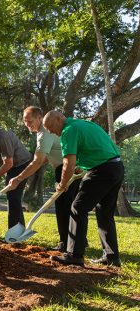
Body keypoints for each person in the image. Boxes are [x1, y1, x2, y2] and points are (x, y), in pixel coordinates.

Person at [43, 111, 124, 267]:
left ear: (60, 118)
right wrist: (81, 165)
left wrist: (62, 183)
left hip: (101, 171)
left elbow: (68, 163)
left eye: (51, 127)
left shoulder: (68, 130)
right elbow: (94, 148)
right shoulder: (84, 124)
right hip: (116, 167)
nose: (52, 132)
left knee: (77, 208)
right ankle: (112, 257)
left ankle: (74, 255)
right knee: (105, 212)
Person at [8, 106, 81, 251]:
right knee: (70, 206)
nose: (27, 124)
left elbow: (38, 161)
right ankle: (77, 240)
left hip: (67, 169)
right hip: (71, 167)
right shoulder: (43, 132)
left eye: (30, 120)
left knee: (63, 207)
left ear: (40, 118)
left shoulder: (44, 133)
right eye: (25, 121)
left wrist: (18, 178)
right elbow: (48, 155)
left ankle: (65, 243)